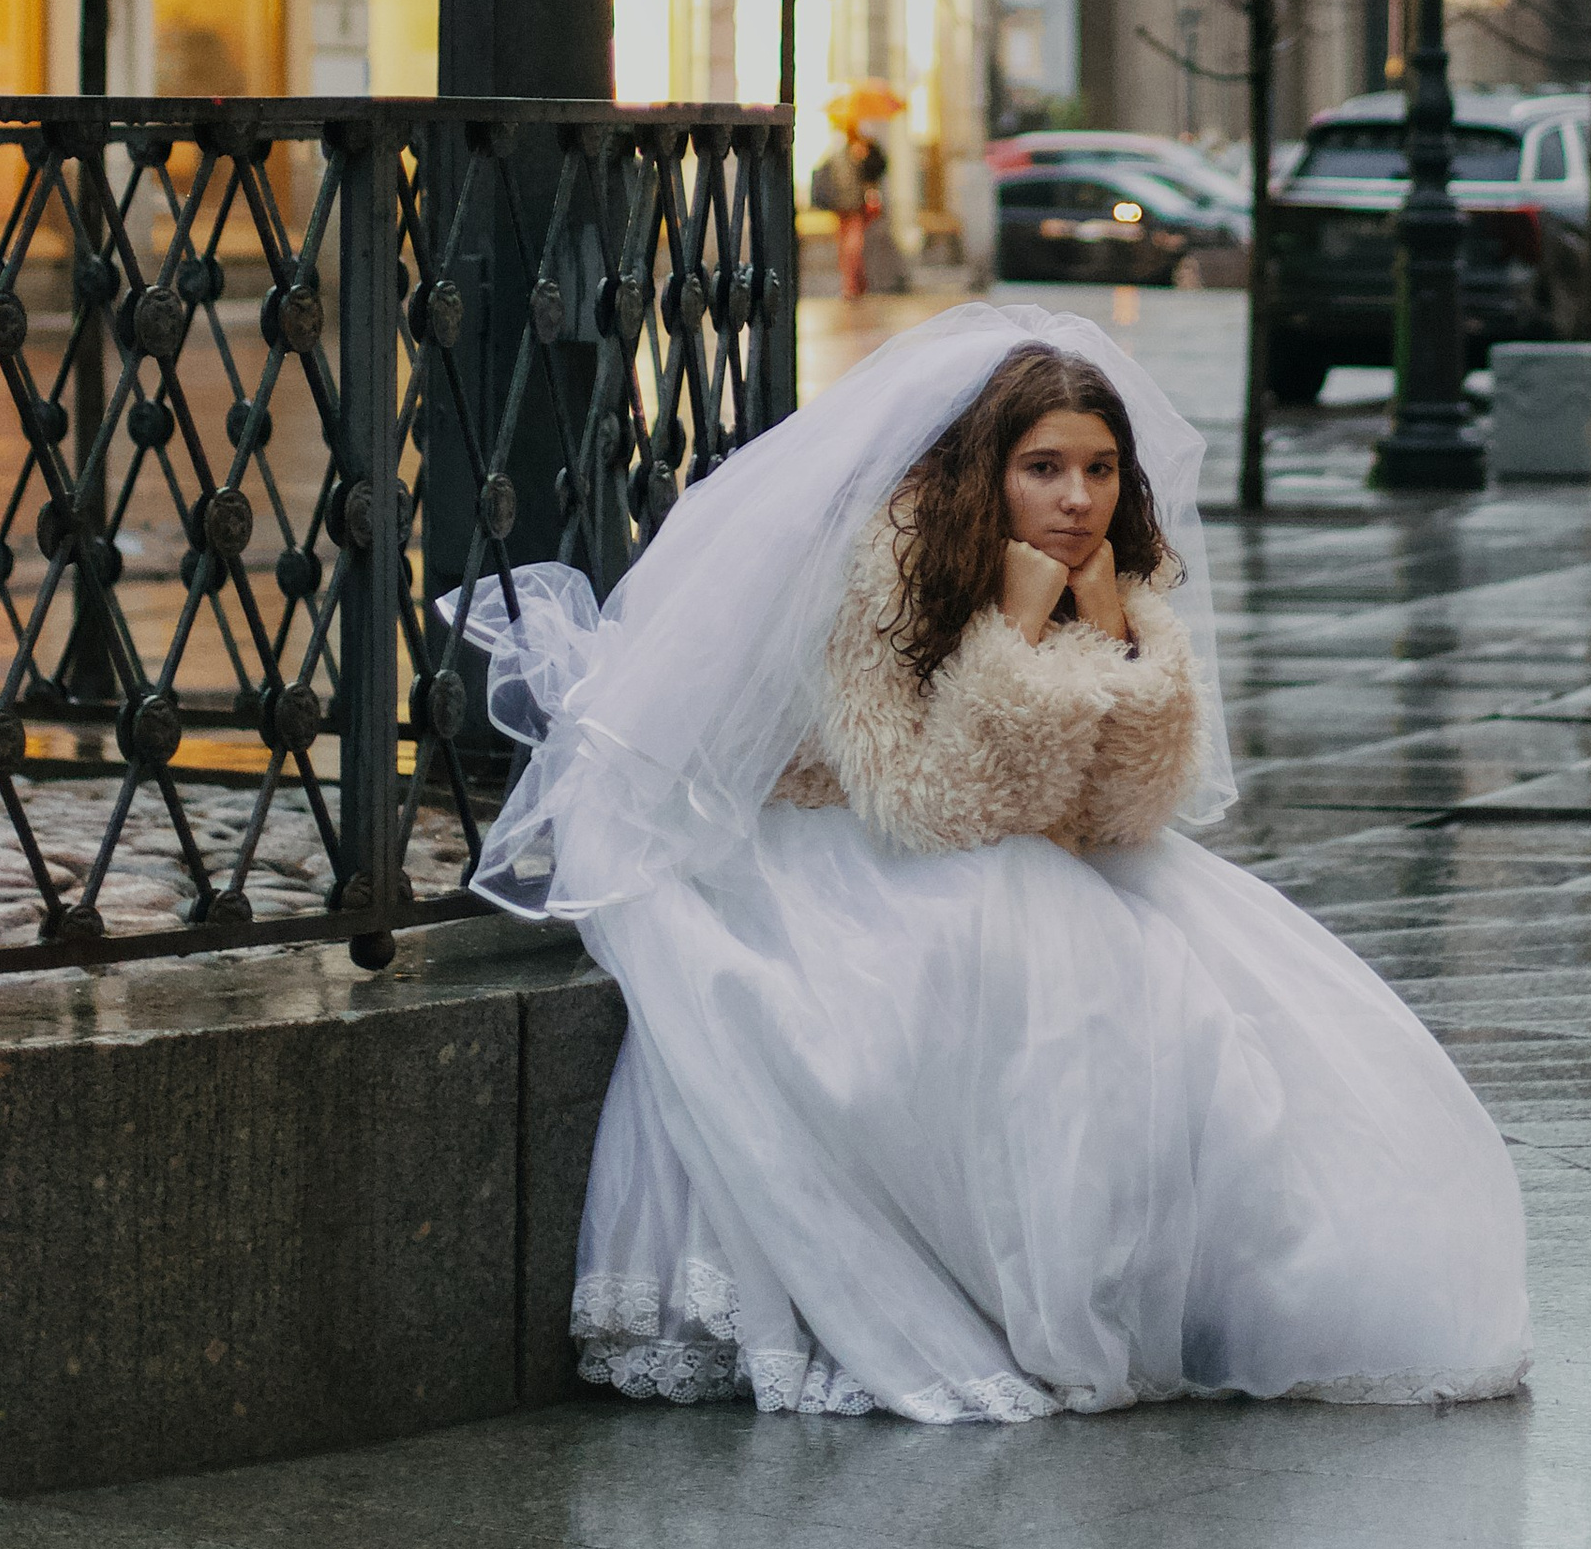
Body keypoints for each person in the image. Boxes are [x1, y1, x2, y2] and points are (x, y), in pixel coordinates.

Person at [452, 303, 1529, 1423]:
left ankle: (1212, 1280)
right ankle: (1037, 1287)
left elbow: (1127, 811)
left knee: (1232, 999)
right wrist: (1014, 647)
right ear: (986, 470)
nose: (1078, 499)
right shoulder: (886, 563)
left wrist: (1120, 652)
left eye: (1101, 468)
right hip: (826, 840)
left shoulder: (1103, 567)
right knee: (1045, 959)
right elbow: (932, 802)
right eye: (1044, 468)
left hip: (995, 833)